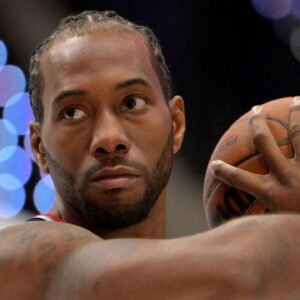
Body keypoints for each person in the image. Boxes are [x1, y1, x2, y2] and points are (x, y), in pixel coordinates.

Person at [1, 9, 300, 299]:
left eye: (132, 103)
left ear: (176, 125)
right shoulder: (22, 256)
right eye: (73, 112)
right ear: (39, 147)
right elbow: (239, 273)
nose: (108, 138)